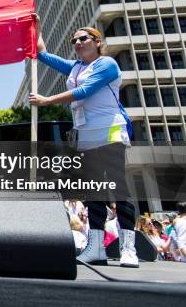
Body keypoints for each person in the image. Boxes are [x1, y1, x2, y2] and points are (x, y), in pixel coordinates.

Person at [29, 14, 138, 268]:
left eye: (83, 38)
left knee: (117, 189)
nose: (77, 42)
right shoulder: (75, 67)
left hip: (109, 129)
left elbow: (85, 91)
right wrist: (37, 25)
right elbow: (43, 54)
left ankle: (128, 249)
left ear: (97, 42)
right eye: (74, 40)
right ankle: (96, 248)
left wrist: (47, 101)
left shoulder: (107, 64)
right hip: (86, 133)